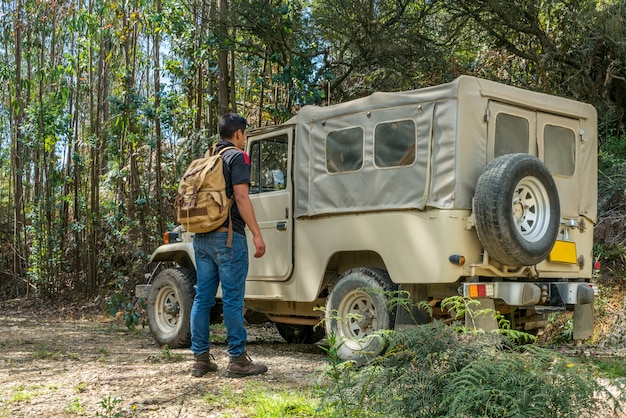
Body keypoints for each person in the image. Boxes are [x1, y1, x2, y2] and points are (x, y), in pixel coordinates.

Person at [190, 113, 267, 378]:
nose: (244, 139)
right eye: (244, 134)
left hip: (201, 238)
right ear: (238, 133)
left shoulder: (207, 158)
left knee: (202, 299)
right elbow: (242, 198)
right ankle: (238, 360)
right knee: (233, 300)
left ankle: (200, 360)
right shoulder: (237, 157)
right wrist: (257, 233)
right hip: (229, 238)